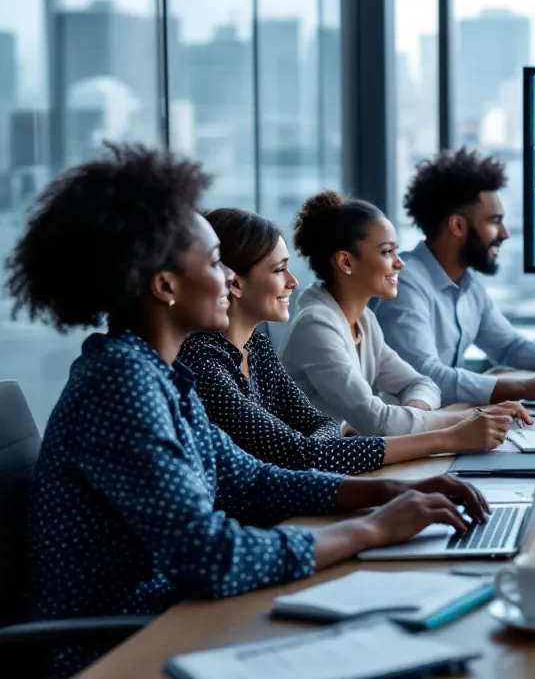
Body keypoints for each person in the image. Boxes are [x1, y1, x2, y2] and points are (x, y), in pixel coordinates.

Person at [10, 146, 492, 677]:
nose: (229, 282)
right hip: (121, 647)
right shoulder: (121, 385)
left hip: (177, 617)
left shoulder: (160, 374)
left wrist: (387, 492)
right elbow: (212, 557)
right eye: (216, 263)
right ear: (165, 285)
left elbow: (252, 482)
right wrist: (372, 530)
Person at [180, 208, 528, 474]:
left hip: (305, 492)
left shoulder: (256, 345)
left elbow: (322, 426)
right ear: (235, 283)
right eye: (277, 270)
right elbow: (308, 452)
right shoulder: (205, 364)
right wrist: (451, 435)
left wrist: (328, 442)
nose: (292, 283)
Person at [376, 148, 535, 404]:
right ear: (457, 226)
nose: (504, 233)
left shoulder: (467, 285)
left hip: (446, 422)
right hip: (405, 435)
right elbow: (425, 377)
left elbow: (507, 346)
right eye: (494, 221)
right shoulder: (405, 283)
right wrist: (526, 387)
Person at [282, 191, 509, 438]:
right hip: (312, 471)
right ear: (346, 263)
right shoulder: (316, 326)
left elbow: (423, 384)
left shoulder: (364, 321)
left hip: (348, 459)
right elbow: (379, 422)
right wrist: (469, 416)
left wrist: (413, 414)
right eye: (386, 252)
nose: (400, 263)